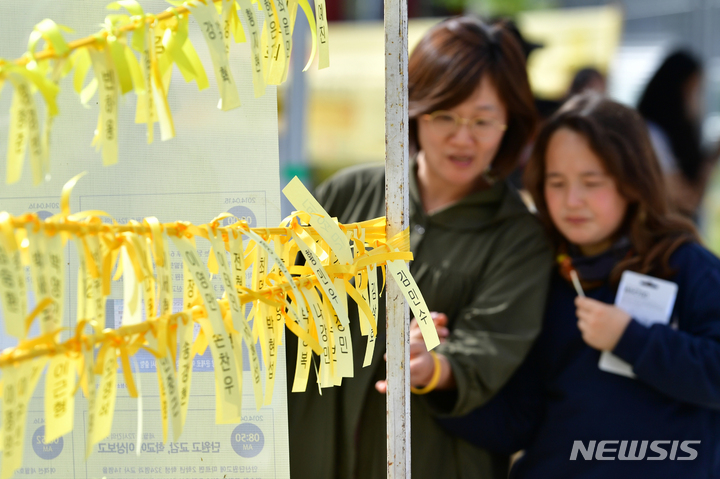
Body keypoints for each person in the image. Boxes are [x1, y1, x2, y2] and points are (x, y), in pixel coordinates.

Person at [285, 16, 553, 479]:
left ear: (510, 123)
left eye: (483, 120)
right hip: (311, 448)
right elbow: (272, 294)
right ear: (412, 109)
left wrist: (435, 368)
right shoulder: (348, 193)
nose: (462, 137)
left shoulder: (520, 238)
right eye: (444, 114)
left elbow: (491, 345)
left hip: (434, 459)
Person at [437, 93, 720, 478]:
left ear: (632, 181)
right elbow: (517, 422)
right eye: (556, 182)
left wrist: (632, 339)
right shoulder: (540, 274)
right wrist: (442, 377)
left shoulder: (686, 266)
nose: (572, 200)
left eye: (592, 182)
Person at [637, 50, 715, 218]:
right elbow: (687, 201)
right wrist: (712, 159)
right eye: (694, 91)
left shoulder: (664, 133)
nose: (698, 100)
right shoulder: (651, 135)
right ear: (675, 91)